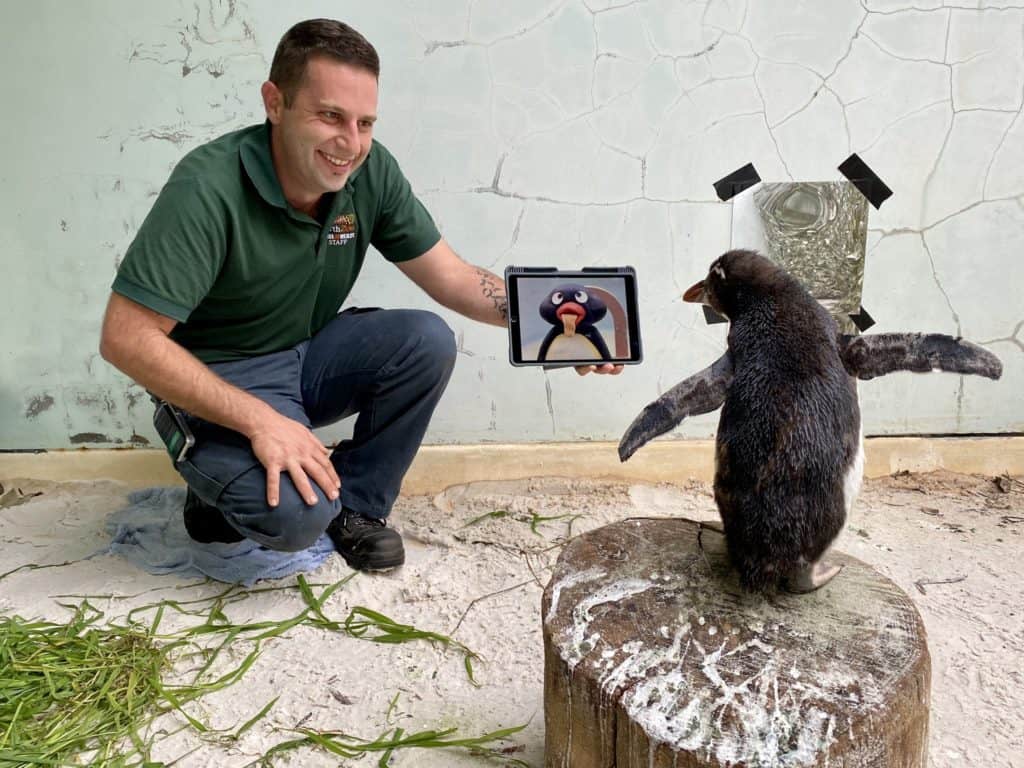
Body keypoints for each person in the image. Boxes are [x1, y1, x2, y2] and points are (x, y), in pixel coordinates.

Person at [100, 18, 621, 572]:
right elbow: (125, 338)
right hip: (221, 373)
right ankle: (213, 488)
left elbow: (452, 277)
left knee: (425, 340)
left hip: (305, 352)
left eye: (364, 122)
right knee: (295, 517)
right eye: (329, 116)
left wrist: (561, 328)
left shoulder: (369, 171)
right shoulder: (208, 187)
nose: (350, 143)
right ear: (275, 103)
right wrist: (260, 422)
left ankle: (356, 505)